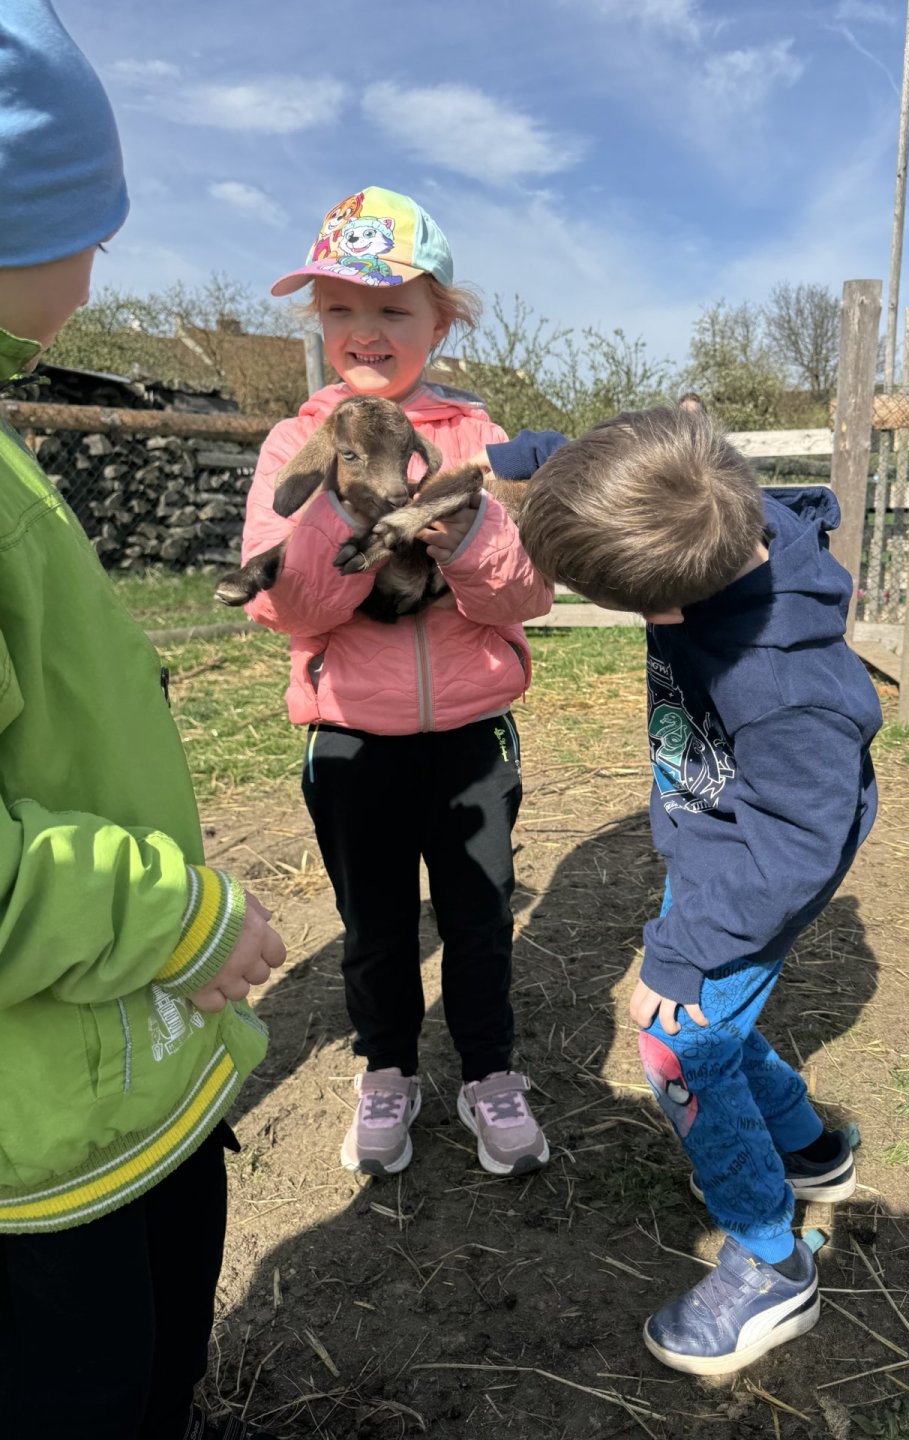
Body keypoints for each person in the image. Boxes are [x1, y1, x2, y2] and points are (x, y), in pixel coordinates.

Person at [0, 6, 288, 1438]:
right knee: (91, 1393)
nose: (98, 261)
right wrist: (178, 916)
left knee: (155, 1362)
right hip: (41, 1140)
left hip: (103, 1070)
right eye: (90, 228)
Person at [485, 407, 882, 1376]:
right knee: (712, 1027)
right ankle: (810, 1150)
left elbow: (799, 839)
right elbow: (622, 460)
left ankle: (769, 1258)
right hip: (722, 846)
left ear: (664, 609)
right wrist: (514, 461)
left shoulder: (784, 685)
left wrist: (682, 951)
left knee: (677, 1042)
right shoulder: (709, 501)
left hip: (755, 869)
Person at [239, 187, 553, 1180]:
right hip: (351, 739)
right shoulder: (294, 444)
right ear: (317, 320)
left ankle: (490, 1074)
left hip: (471, 735)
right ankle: (387, 1071)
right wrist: (345, 504)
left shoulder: (481, 442)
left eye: (391, 308)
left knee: (478, 920)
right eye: (340, 308)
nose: (364, 330)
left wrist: (468, 530)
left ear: (440, 320)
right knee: (375, 928)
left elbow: (527, 594)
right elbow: (287, 609)